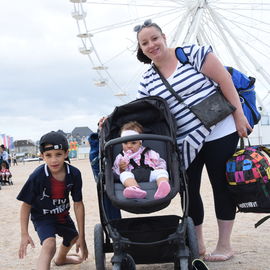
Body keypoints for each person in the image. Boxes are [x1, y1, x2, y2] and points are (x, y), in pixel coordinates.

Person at [133, 19, 252, 262]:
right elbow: (140, 112)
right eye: (145, 43)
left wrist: (239, 115)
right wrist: (110, 119)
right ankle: (197, 244)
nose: (151, 45)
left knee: (221, 186)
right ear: (141, 49)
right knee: (188, 192)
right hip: (184, 142)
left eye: (154, 38)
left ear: (164, 36)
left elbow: (224, 81)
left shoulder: (194, 55)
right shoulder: (147, 80)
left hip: (220, 129)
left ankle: (224, 245)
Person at [17, 131, 88, 270]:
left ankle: (61, 259)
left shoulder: (74, 174)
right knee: (49, 245)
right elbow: (25, 205)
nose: (53, 160)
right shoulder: (37, 176)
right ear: (42, 156)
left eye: (58, 154)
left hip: (62, 215)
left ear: (66, 153)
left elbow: (78, 204)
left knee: (74, 238)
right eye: (48, 155)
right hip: (42, 216)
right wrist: (24, 234)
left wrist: (82, 237)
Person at [113, 121, 171, 200]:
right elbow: (115, 173)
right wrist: (121, 169)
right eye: (125, 143)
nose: (129, 146)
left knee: (162, 172)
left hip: (150, 174)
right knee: (124, 175)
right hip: (132, 176)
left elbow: (160, 161)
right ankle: (134, 189)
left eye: (133, 143)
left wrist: (160, 167)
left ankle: (163, 186)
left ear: (140, 143)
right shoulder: (120, 157)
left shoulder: (148, 152)